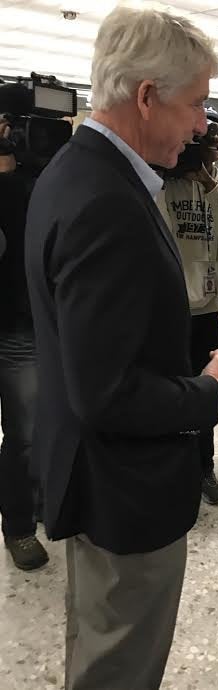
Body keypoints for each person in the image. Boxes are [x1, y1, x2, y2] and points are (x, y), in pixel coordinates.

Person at [25, 8, 218, 689]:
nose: (202, 124)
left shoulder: (72, 174)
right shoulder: (106, 204)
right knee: (121, 663)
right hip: (125, 491)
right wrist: (209, 390)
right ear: (146, 95)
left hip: (93, 477)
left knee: (96, 643)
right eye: (196, 102)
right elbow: (109, 393)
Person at [157, 105, 218, 506]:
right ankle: (170, 468)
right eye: (195, 142)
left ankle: (204, 466)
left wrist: (209, 185)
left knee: (207, 389)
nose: (203, 152)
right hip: (165, 311)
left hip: (207, 311)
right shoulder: (159, 181)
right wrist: (168, 172)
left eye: (209, 145)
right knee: (167, 393)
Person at [0, 131, 49, 571]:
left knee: (26, 432)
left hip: (22, 319)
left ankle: (22, 521)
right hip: (13, 319)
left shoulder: (31, 181)